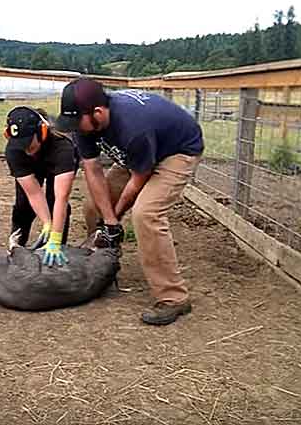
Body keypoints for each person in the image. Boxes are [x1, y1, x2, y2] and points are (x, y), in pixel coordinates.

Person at [55, 78, 204, 325]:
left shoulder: (133, 126)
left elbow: (138, 179)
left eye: (75, 123)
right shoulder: (83, 124)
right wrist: (108, 221)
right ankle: (103, 263)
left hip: (176, 151)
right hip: (140, 153)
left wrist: (115, 219)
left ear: (98, 113)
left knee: (146, 214)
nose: (74, 129)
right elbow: (92, 171)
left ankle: (173, 297)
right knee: (93, 206)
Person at [4, 106, 78, 267]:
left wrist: (55, 237)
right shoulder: (14, 150)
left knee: (54, 201)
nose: (25, 149)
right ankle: (17, 248)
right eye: (20, 144)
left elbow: (62, 197)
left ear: (42, 132)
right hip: (32, 168)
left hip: (56, 161)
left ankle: (58, 247)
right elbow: (34, 194)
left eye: (29, 144)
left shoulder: (63, 147)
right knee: (23, 205)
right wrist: (46, 223)